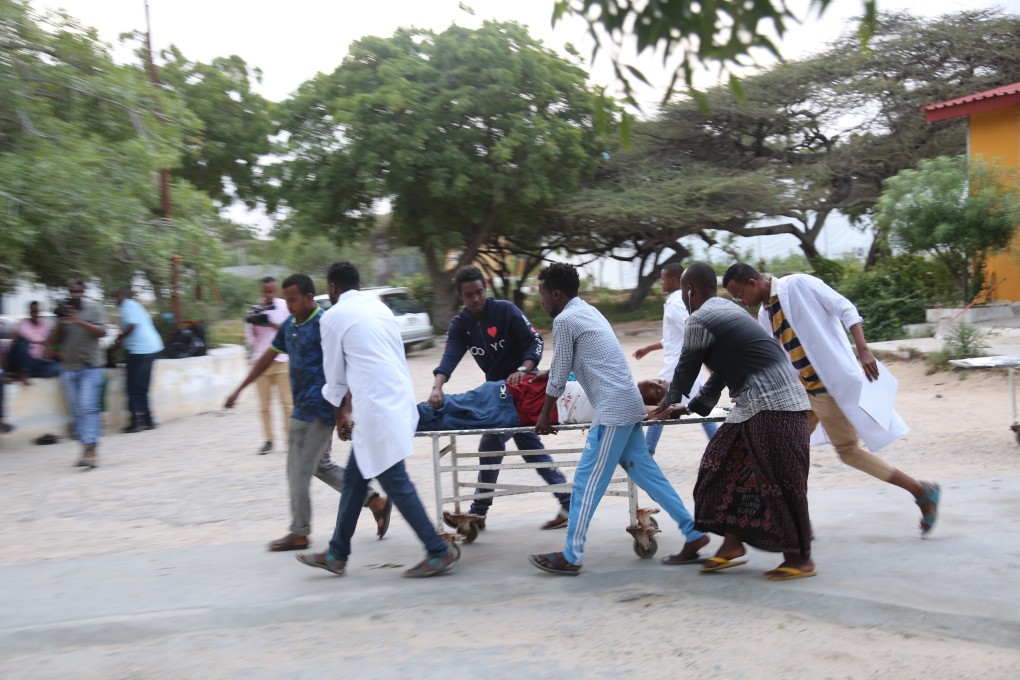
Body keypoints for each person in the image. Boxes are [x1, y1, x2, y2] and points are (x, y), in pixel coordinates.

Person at [722, 263, 941, 535]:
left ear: (754, 283)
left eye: (739, 294)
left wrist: (863, 351)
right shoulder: (765, 315)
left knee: (848, 452)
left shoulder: (798, 285)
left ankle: (921, 490)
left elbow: (845, 308)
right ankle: (796, 519)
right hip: (803, 393)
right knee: (786, 453)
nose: (740, 301)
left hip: (828, 387)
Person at [527, 262, 707, 576]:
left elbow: (558, 372)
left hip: (612, 412)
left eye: (542, 294)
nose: (541, 301)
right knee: (648, 474)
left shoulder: (566, 320)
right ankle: (693, 532)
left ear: (556, 293)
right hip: (626, 405)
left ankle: (572, 555)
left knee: (586, 482)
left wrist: (544, 415)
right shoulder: (588, 311)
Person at [651, 263, 815, 580]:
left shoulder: (700, 319)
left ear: (689, 291)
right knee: (720, 467)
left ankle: (800, 558)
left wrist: (666, 401)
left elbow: (686, 368)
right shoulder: (728, 310)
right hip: (756, 405)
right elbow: (724, 370)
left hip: (772, 406)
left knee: (782, 483)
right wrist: (690, 407)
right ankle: (731, 545)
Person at [297, 261, 459, 578]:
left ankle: (438, 551)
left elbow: (333, 380)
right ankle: (336, 553)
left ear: (332, 289)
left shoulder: (332, 318)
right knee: (356, 481)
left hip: (375, 409)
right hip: (396, 400)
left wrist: (340, 417)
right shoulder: (379, 308)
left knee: (395, 481)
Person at [226, 273, 391, 552]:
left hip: (323, 409)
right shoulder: (289, 326)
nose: (288, 305)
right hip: (300, 407)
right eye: (286, 299)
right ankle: (375, 501)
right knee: (318, 466)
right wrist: (240, 388)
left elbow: (345, 368)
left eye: (293, 300)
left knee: (298, 471)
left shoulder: (325, 324)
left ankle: (299, 532)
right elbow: (266, 359)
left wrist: (344, 412)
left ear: (308, 297)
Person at [430, 265, 571, 530]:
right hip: (498, 393)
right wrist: (437, 386)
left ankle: (478, 514)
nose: (476, 299)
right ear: (461, 296)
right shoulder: (461, 324)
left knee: (490, 445)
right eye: (469, 295)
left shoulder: (506, 310)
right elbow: (449, 356)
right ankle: (567, 500)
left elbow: (534, 342)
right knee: (530, 448)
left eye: (479, 292)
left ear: (486, 289)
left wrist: (523, 369)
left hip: (522, 389)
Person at [634, 263, 717, 453]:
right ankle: (719, 446)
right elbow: (672, 338)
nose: (661, 283)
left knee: (659, 407)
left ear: (673, 280)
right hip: (682, 365)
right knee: (701, 408)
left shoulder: (675, 303)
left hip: (678, 367)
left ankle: (648, 451)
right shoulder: (676, 302)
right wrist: (648, 348)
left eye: (662, 279)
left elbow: (693, 330)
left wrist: (706, 361)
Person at [416, 371, 669, 431]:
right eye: (658, 381)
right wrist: (533, 372)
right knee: (447, 406)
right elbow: (565, 366)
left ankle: (397, 423)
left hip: (514, 413)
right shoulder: (614, 375)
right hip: (508, 392)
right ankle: (399, 420)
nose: (654, 385)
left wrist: (680, 407)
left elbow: (654, 413)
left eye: (658, 391)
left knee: (446, 421)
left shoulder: (626, 403)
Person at [50, 279, 107, 469]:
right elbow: (53, 340)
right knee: (77, 412)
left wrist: (78, 321)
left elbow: (102, 332)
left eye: (78, 292)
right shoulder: (64, 311)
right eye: (72, 292)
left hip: (90, 367)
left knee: (87, 407)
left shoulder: (93, 309)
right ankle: (87, 448)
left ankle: (90, 450)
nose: (75, 295)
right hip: (69, 369)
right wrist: (61, 320)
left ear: (84, 292)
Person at [244, 276, 293, 455]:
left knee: (287, 403)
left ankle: (289, 439)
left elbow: (289, 330)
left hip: (282, 361)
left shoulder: (284, 307)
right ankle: (268, 440)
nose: (268, 295)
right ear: (261, 290)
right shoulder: (254, 309)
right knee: (264, 406)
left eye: (271, 291)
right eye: (265, 291)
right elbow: (251, 339)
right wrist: (255, 324)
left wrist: (271, 323)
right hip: (261, 362)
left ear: (276, 289)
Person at [113, 289, 164, 433]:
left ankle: (136, 422)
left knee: (132, 387)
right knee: (142, 387)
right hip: (151, 347)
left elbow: (132, 325)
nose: (115, 301)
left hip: (139, 351)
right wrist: (120, 341)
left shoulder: (127, 306)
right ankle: (148, 420)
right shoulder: (137, 306)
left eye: (115, 297)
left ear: (121, 296)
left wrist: (121, 336)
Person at [6, 301, 61, 383]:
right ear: (29, 311)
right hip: (22, 359)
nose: (35, 313)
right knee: (23, 341)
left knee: (57, 368)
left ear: (40, 311)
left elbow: (50, 340)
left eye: (37, 311)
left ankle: (20, 374)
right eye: (33, 311)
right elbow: (31, 338)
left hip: (37, 362)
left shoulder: (44, 323)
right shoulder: (22, 323)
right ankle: (23, 373)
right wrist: (43, 343)